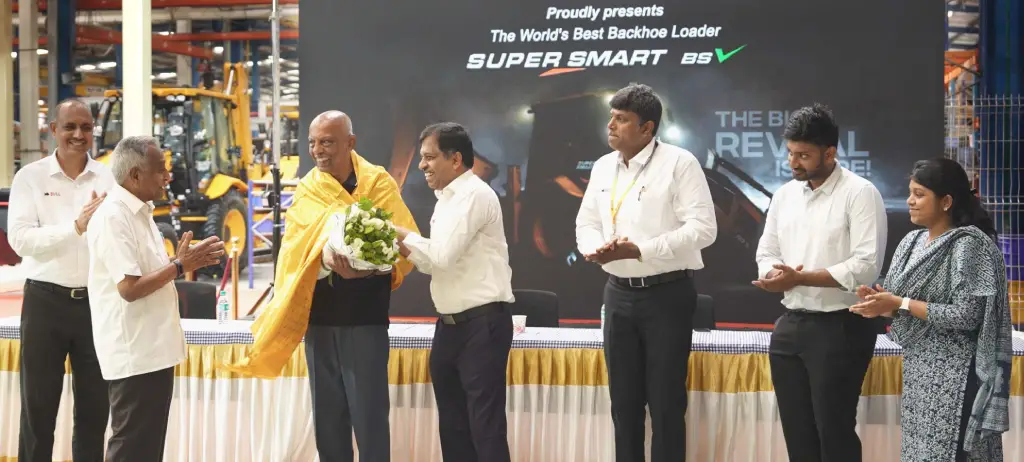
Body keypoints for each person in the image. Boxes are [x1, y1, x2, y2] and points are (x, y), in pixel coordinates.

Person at [222, 111, 418, 462]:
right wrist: (324, 259)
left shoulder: (378, 182)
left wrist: (366, 268)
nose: (317, 150)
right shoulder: (309, 187)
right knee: (328, 420)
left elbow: (402, 243)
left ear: (350, 143)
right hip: (321, 318)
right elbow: (295, 249)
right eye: (313, 142)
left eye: (327, 142)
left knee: (370, 418)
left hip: (365, 318)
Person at [574, 83, 717, 462]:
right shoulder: (603, 166)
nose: (611, 125)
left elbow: (704, 229)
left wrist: (642, 250)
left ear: (647, 128)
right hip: (617, 293)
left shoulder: (679, 163)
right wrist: (594, 248)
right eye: (611, 117)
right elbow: (586, 222)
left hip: (666, 294)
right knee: (623, 403)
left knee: (666, 403)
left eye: (622, 119)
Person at [851, 158, 1011, 462]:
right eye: (910, 193)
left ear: (946, 201)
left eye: (920, 194)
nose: (910, 201)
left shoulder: (968, 245)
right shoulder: (911, 242)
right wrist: (881, 304)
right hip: (918, 373)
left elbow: (967, 314)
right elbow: (902, 305)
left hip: (957, 376)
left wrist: (899, 303)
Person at [753, 103, 887, 462]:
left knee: (834, 431)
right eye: (790, 153)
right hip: (790, 324)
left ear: (830, 153)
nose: (794, 163)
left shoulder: (860, 193)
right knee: (798, 433)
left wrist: (799, 278)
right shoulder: (784, 195)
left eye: (804, 155)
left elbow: (866, 266)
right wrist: (773, 275)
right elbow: (766, 251)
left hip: (841, 327)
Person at [87, 136, 225, 461]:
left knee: (146, 448)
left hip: (154, 350)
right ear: (135, 175)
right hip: (135, 352)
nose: (167, 176)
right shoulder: (114, 216)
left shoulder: (142, 212)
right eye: (160, 169)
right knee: (130, 448)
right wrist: (179, 266)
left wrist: (179, 262)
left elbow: (148, 272)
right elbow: (129, 288)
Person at [394, 122, 515, 462]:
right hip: (449, 326)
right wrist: (398, 241)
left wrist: (398, 234)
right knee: (453, 428)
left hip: (481, 325)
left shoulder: (474, 195)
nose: (422, 165)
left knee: (485, 429)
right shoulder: (446, 199)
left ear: (456, 159)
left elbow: (441, 257)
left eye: (430, 157)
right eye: (422, 157)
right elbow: (434, 261)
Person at [7, 98, 114, 462]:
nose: (78, 134)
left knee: (94, 412)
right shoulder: (30, 178)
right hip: (44, 305)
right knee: (37, 411)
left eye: (86, 127)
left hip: (96, 306)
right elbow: (21, 241)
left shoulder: (107, 178)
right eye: (70, 127)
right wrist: (75, 227)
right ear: (53, 130)